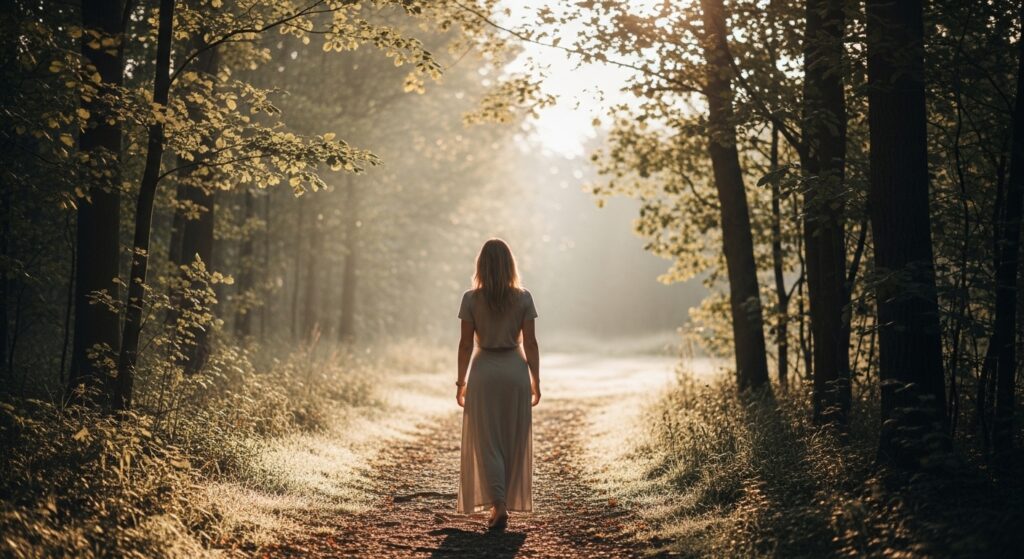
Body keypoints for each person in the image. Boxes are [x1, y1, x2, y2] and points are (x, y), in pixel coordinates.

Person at [455, 238, 541, 531]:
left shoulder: (470, 299)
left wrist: (461, 382)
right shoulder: (524, 298)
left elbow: (465, 345)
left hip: (484, 373)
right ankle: (502, 503)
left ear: (481, 266)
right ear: (510, 265)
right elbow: (530, 342)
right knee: (513, 438)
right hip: (515, 372)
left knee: (487, 441)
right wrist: (536, 379)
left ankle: (499, 505)